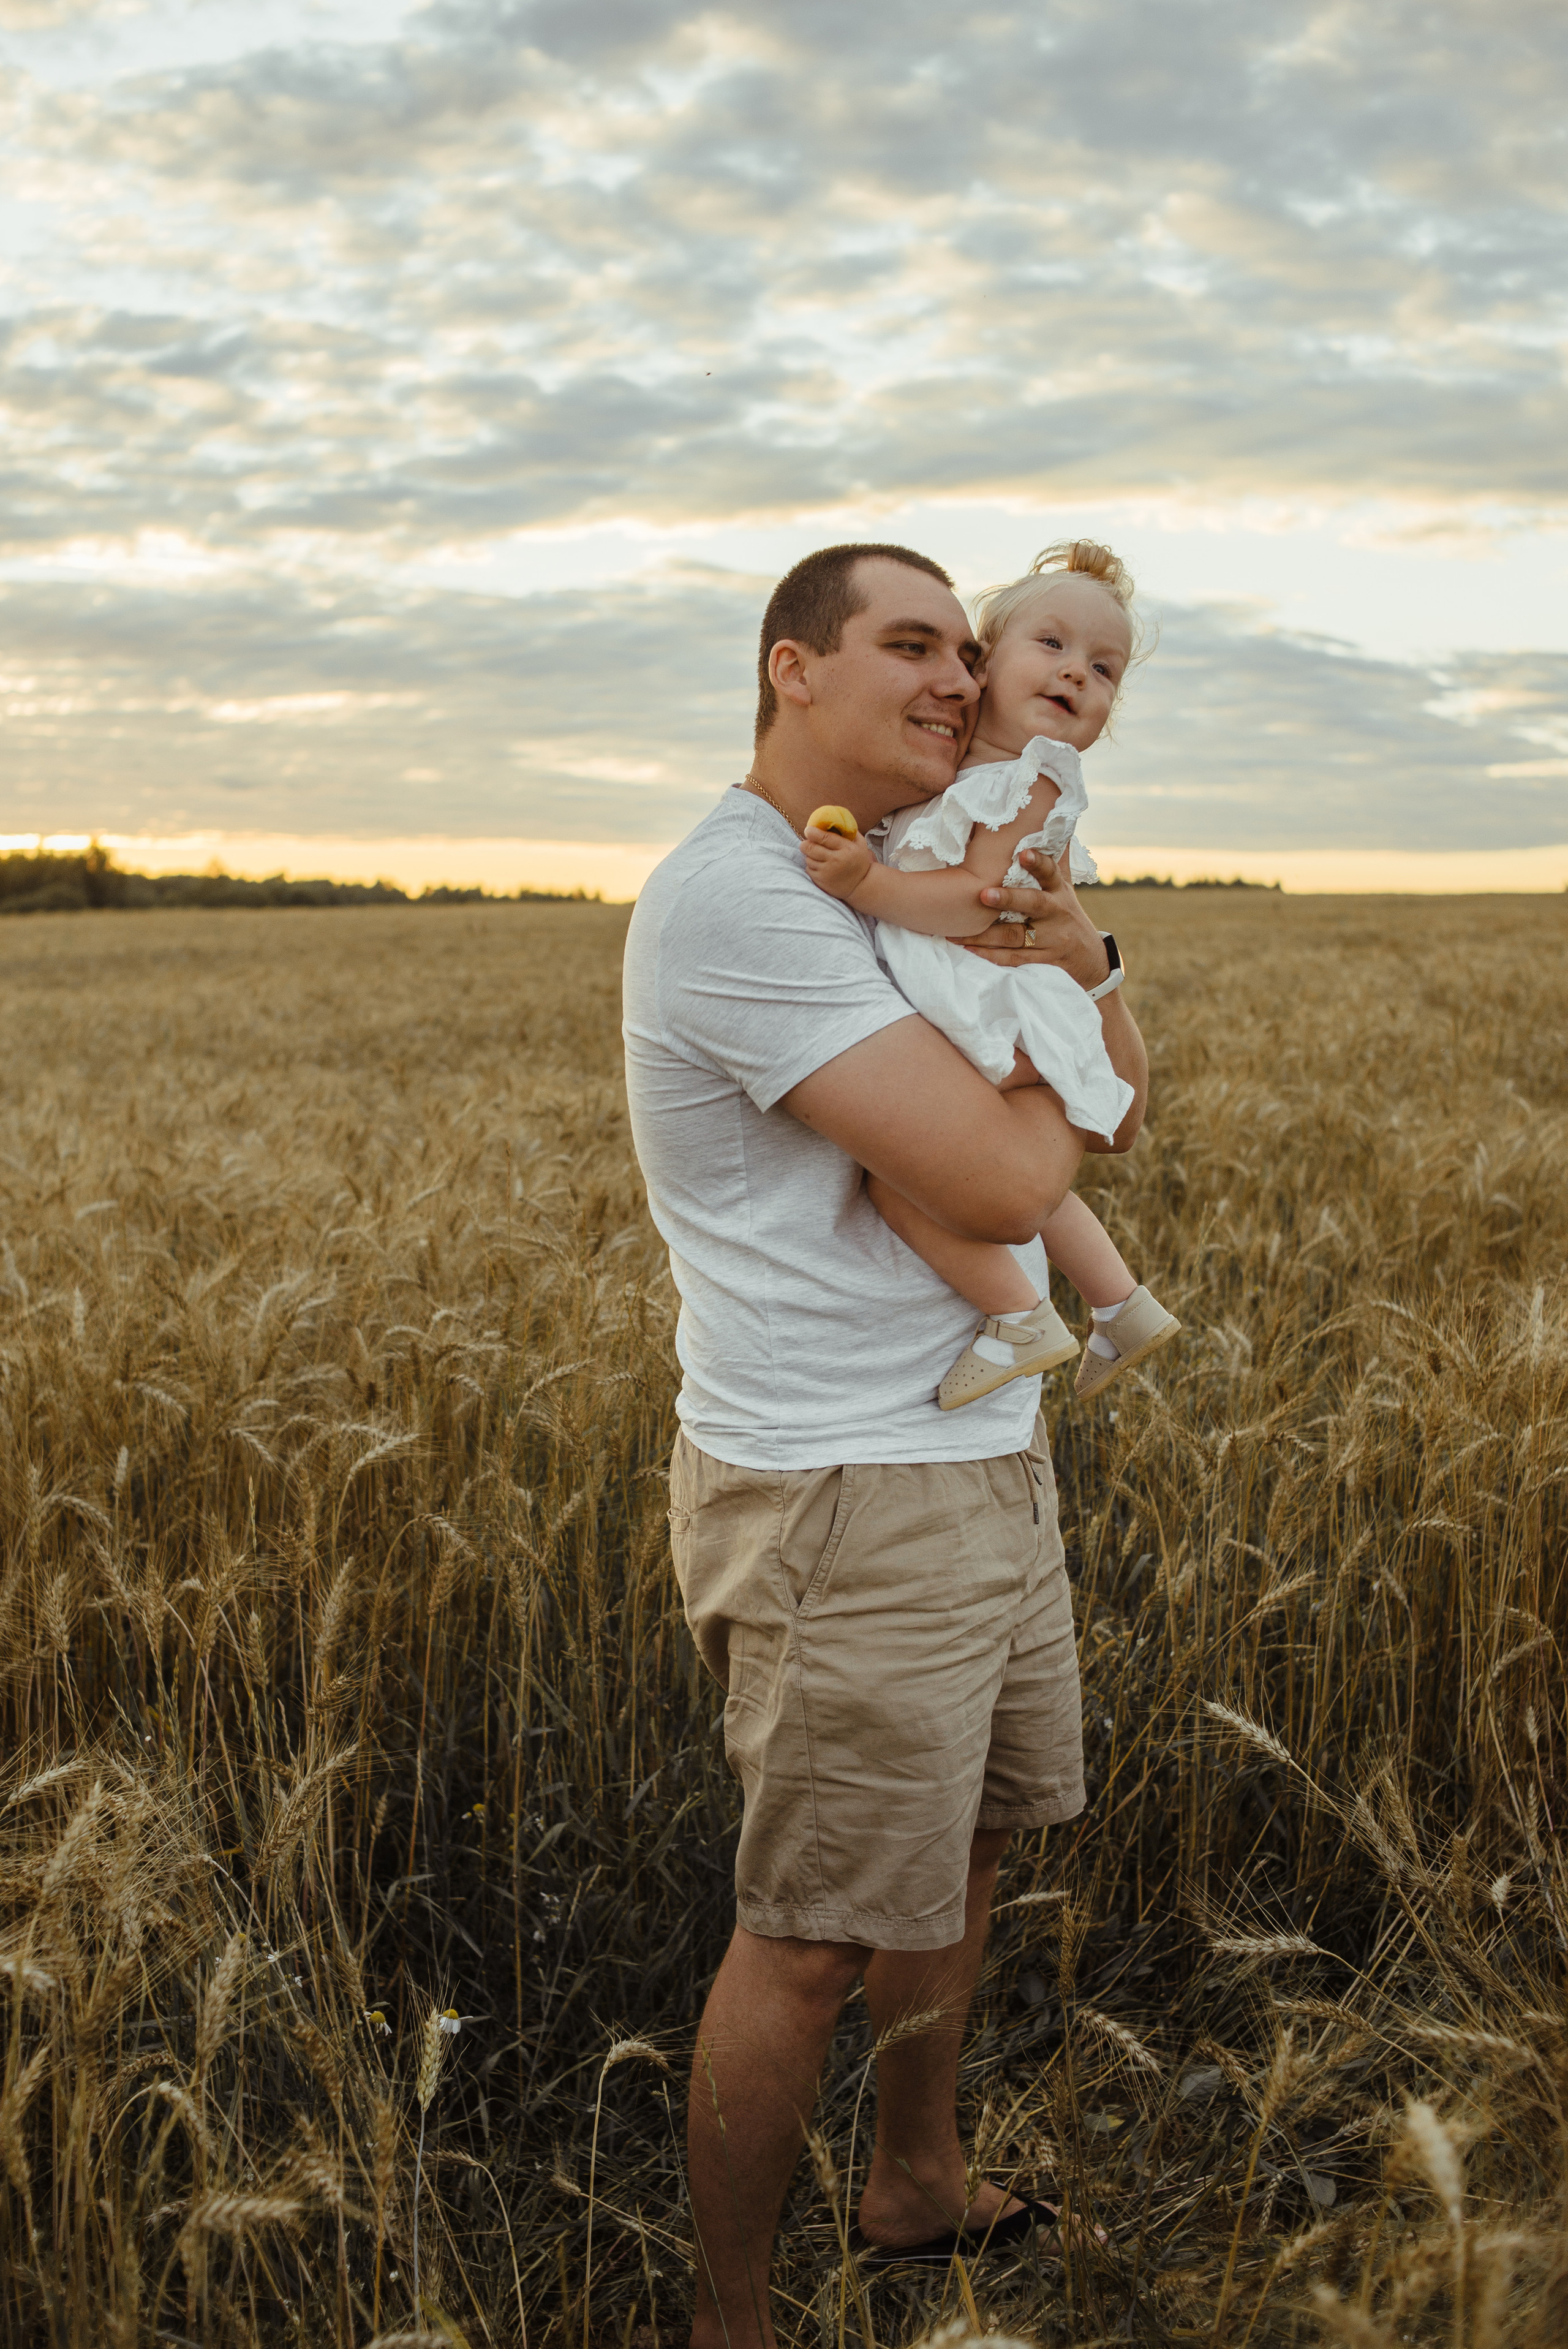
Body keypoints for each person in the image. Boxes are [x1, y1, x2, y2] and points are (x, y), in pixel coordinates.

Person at [621, 542, 1148, 2348]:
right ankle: (733, 2319)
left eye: (965, 649)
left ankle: (914, 2180)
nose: (956, 678)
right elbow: (1015, 1172)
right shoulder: (749, 900)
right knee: (819, 1929)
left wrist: (1086, 955)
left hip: (981, 1442)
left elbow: (1123, 1103)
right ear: (793, 669)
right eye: (909, 645)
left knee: (978, 1843)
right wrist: (1056, 1003)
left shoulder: (939, 860)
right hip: (840, 1492)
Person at [801, 540, 1180, 1410]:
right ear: (985, 666)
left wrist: (869, 882)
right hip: (979, 987)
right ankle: (1121, 1302)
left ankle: (1019, 1313)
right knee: (1013, 1173)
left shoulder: (1031, 783)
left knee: (903, 1179)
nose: (1079, 674)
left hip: (991, 994)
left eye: (1104, 668)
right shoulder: (973, 774)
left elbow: (978, 903)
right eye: (1052, 645)